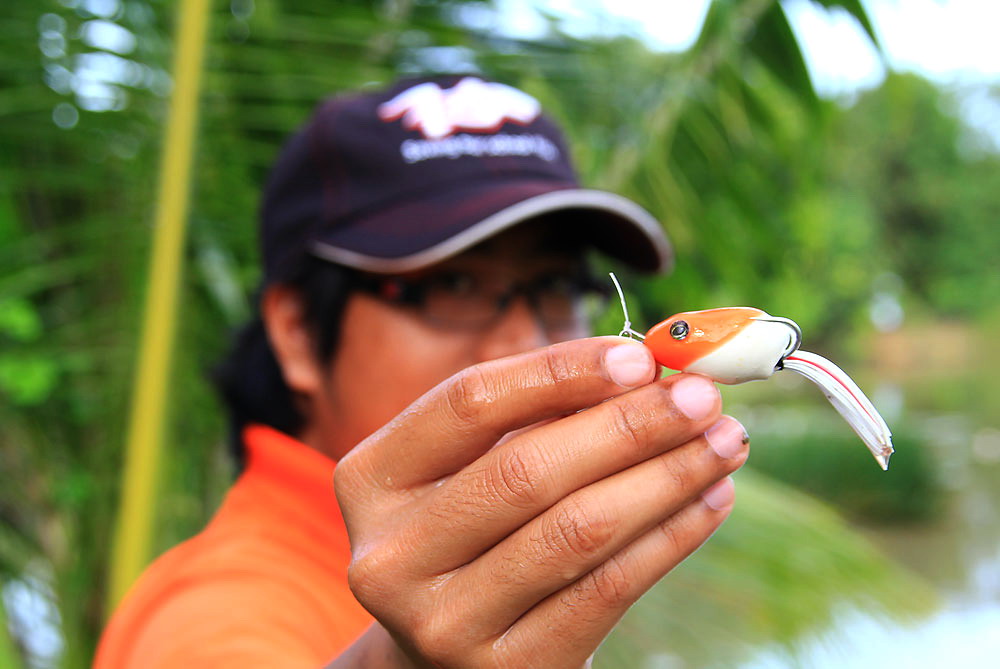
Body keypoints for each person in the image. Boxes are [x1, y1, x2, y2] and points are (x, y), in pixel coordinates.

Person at [95, 75, 749, 668]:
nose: (525, 339)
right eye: (455, 282)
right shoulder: (215, 608)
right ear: (296, 331)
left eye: (552, 284)